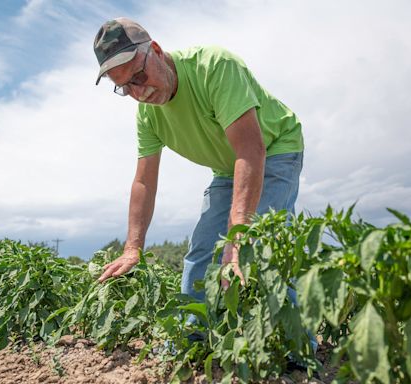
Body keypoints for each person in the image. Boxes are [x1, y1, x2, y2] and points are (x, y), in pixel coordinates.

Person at [93, 18, 304, 304]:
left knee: (263, 243)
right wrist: (133, 247)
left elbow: (251, 151)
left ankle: (292, 346)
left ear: (155, 50)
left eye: (139, 77)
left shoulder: (214, 67)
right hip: (227, 168)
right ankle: (191, 339)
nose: (139, 93)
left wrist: (238, 235)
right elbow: (144, 181)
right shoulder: (147, 115)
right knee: (203, 251)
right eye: (125, 88)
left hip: (275, 147)